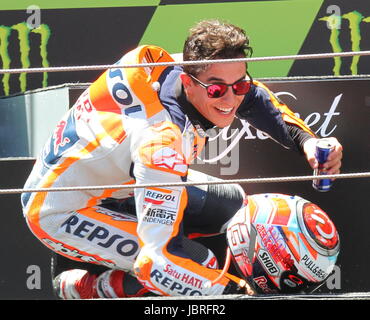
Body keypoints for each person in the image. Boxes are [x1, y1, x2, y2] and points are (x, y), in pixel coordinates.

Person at [21, 19, 343, 299]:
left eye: (239, 83)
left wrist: (308, 143)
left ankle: (98, 260)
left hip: (120, 182)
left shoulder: (182, 69)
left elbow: (254, 96)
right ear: (189, 83)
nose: (231, 99)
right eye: (217, 91)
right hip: (63, 210)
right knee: (198, 265)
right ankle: (87, 286)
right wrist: (233, 293)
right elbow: (156, 262)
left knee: (234, 203)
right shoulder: (160, 141)